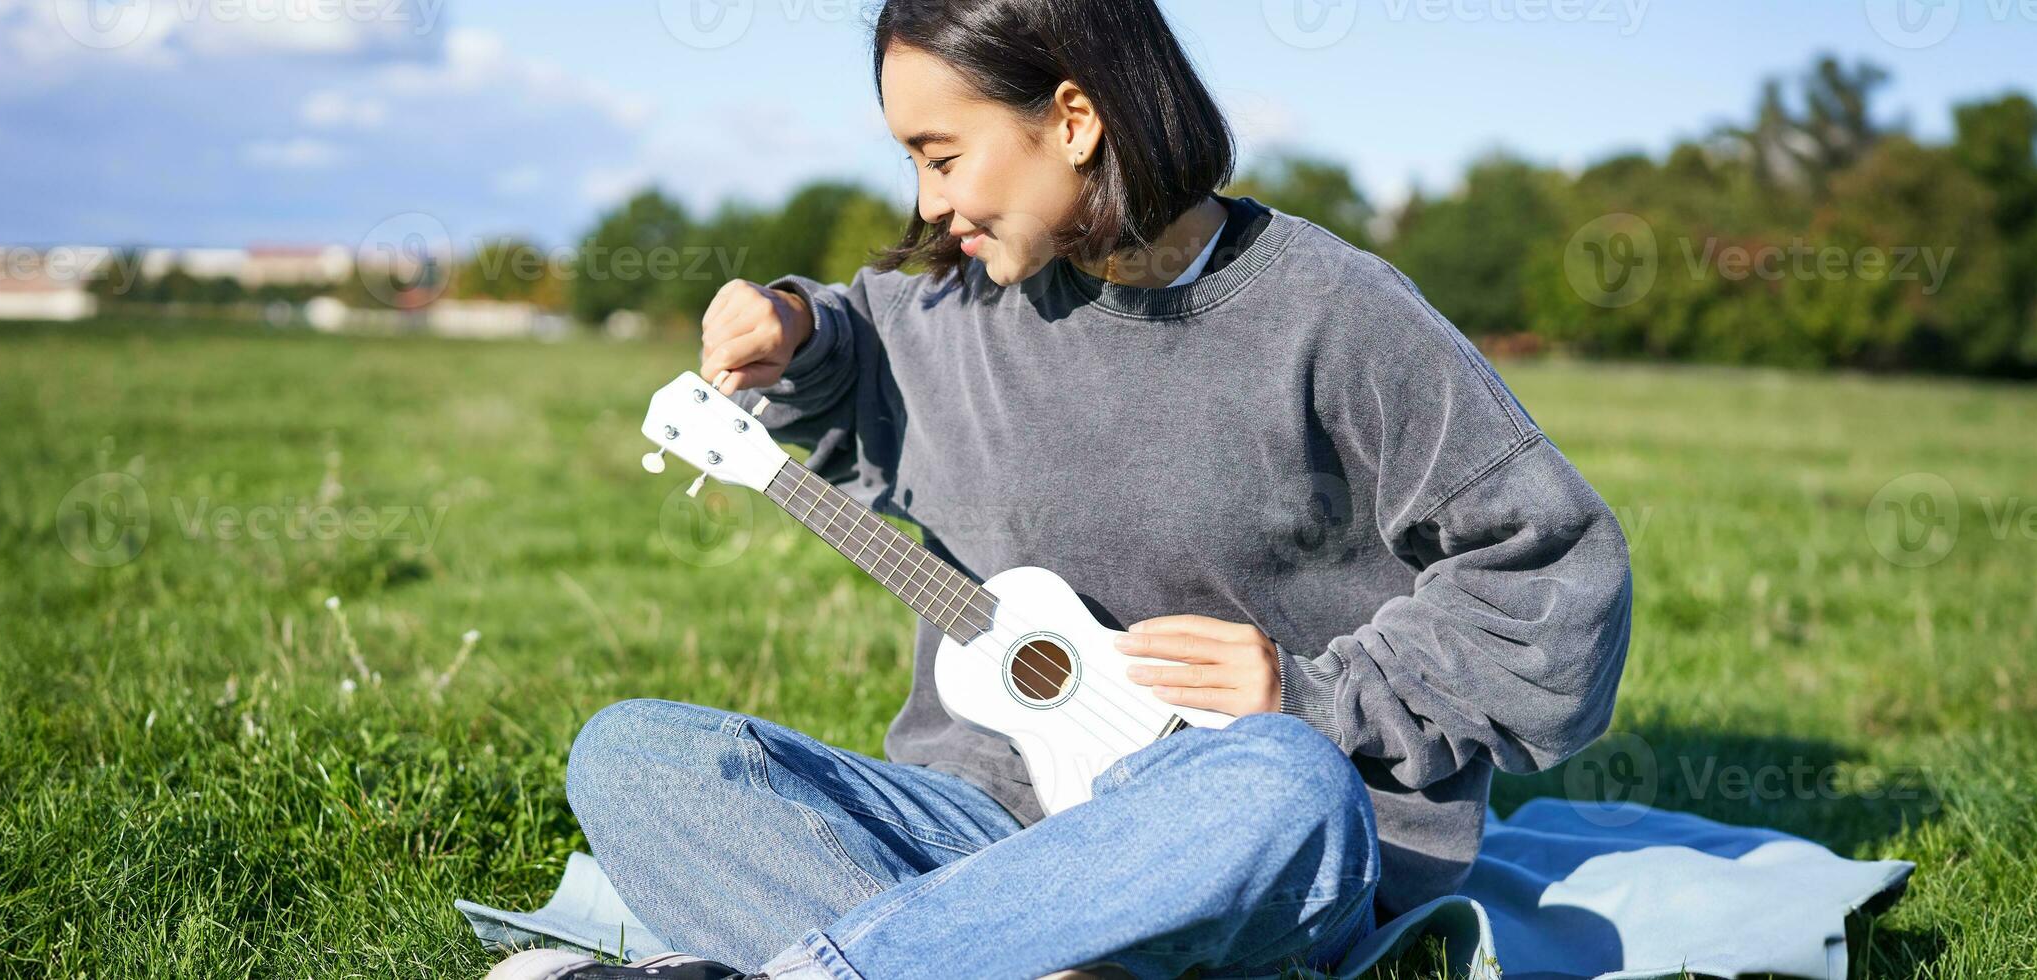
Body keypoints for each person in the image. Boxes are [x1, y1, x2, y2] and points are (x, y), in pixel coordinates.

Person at [491, 1, 1631, 977]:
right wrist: (790, 322)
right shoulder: (965, 306)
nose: (929, 202)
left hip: (1235, 848)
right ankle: (988, 953)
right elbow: (857, 348)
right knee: (634, 753)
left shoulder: (1338, 315)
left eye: (942, 155)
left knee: (1281, 782)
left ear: (1075, 121)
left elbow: (1551, 583)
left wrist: (1314, 695)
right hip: (981, 836)